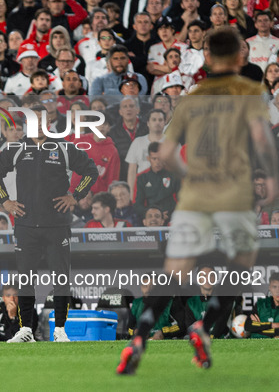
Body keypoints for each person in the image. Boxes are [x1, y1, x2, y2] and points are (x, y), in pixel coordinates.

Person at [117, 28, 279, 375]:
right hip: (234, 197)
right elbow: (265, 149)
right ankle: (204, 328)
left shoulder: (192, 98)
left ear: (207, 58)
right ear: (240, 57)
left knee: (174, 271)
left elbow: (167, 152)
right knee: (240, 267)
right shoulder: (249, 94)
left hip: (193, 199)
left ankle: (140, 337)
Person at [0, 104, 98, 343]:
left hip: (57, 226)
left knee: (61, 279)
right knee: (26, 279)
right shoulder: (16, 148)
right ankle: (25, 329)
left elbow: (91, 171)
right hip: (26, 226)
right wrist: (5, 201)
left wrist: (75, 196)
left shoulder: (64, 148)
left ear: (48, 123)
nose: (37, 124)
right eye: (33, 120)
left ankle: (60, 330)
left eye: (42, 120)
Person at [245, 272, 279, 338]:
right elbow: (248, 326)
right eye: (274, 287)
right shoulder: (261, 304)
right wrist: (273, 325)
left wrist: (258, 328)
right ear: (270, 288)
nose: (278, 291)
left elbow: (254, 333)